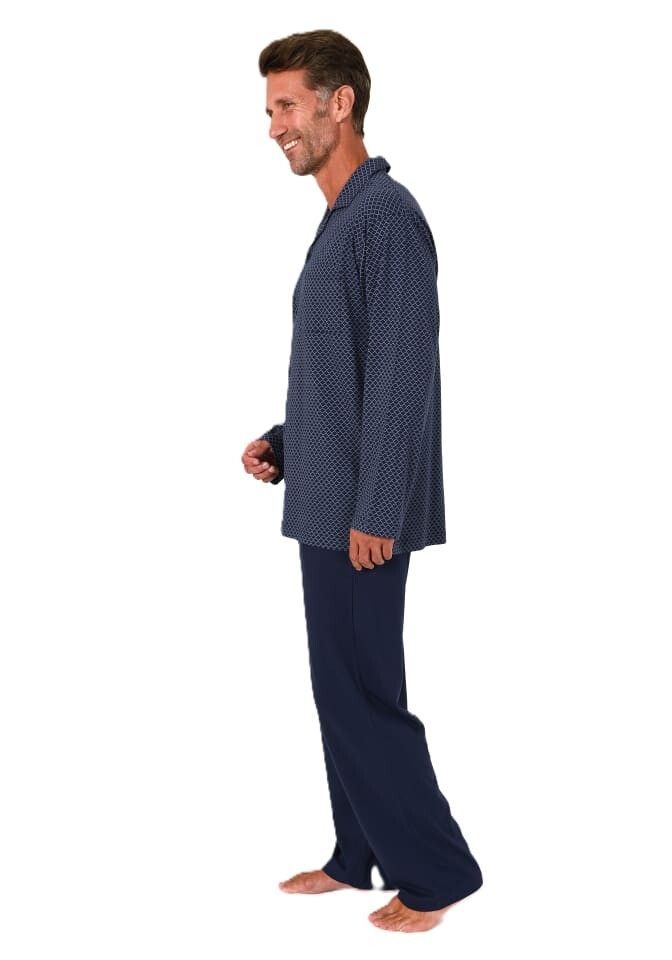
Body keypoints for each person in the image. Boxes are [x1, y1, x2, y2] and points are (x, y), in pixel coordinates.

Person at [242, 29, 483, 933]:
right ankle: (358, 852)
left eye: (287, 105)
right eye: (270, 108)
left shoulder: (387, 218)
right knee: (338, 690)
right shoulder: (343, 220)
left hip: (359, 517)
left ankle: (438, 871)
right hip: (327, 501)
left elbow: (400, 376)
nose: (274, 125)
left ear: (340, 103)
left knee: (365, 695)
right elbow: (346, 373)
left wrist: (377, 506)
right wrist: (286, 442)